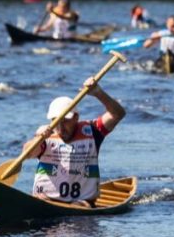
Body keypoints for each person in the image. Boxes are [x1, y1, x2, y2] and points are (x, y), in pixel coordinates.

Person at [20, 76, 126, 206]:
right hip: (44, 200)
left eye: (65, 121)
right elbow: (27, 153)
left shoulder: (92, 131)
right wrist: (37, 139)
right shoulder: (45, 134)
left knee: (79, 206)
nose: (60, 127)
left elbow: (118, 114)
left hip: (81, 203)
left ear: (76, 117)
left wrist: (98, 93)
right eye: (56, 121)